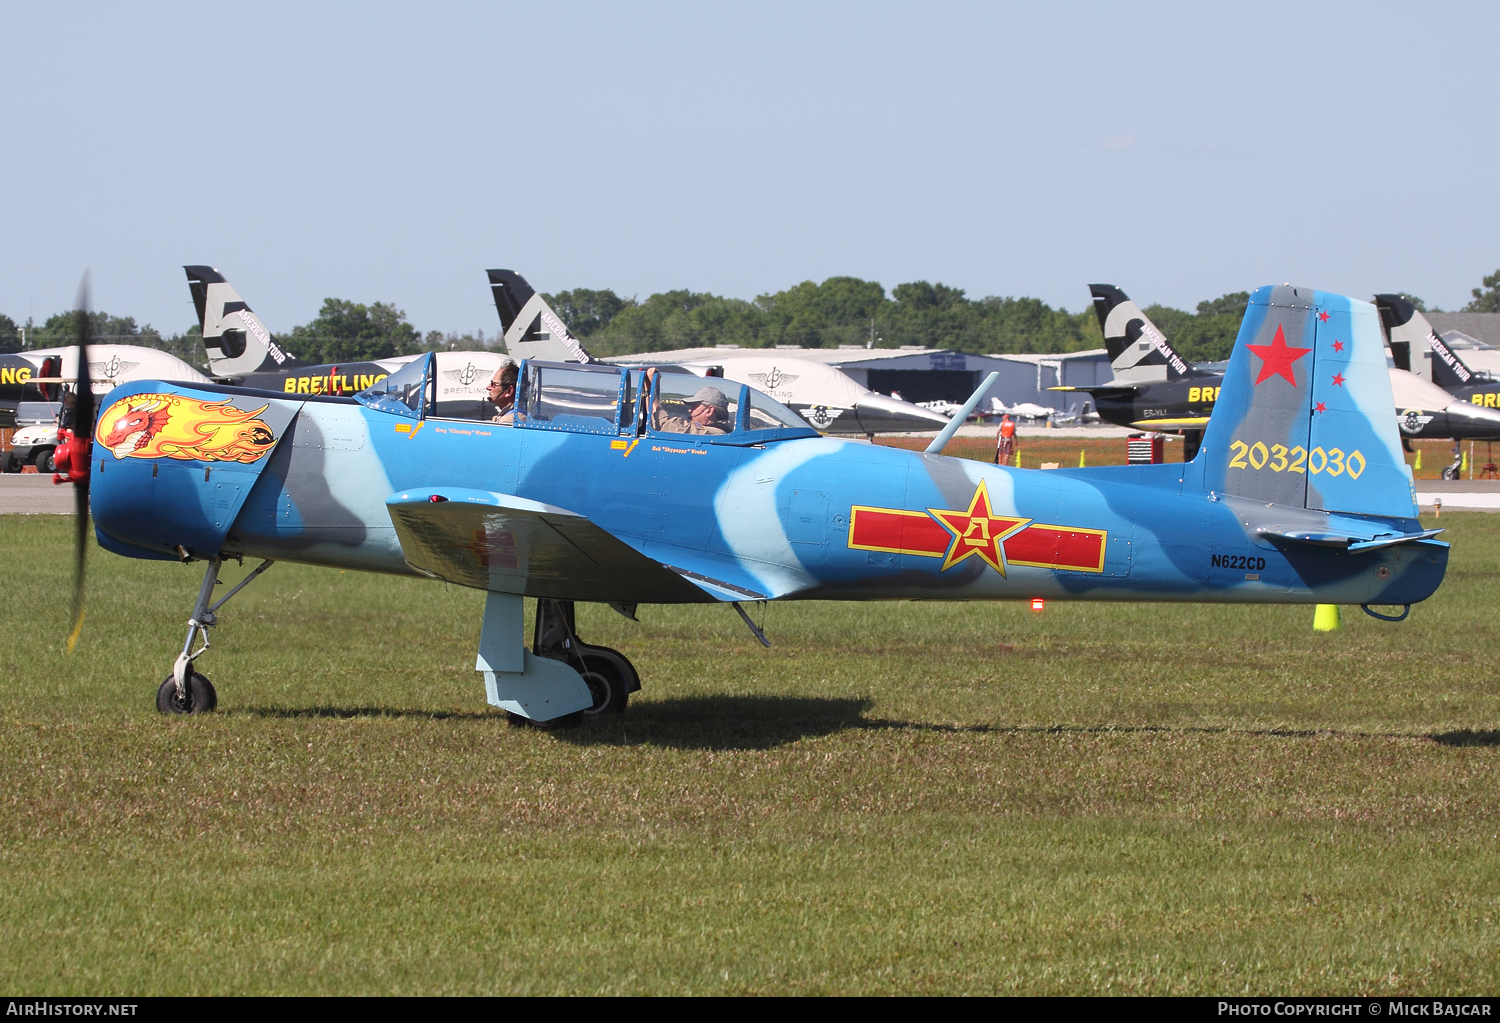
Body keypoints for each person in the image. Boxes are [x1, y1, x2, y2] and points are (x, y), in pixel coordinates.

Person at [645, 368, 731, 435]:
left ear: (709, 411)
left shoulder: (714, 433)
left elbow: (664, 425)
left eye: (695, 406)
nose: (690, 410)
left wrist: (649, 387)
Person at [486, 359, 518, 424]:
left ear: (509, 391)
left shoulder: (508, 421)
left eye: (493, 384)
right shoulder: (515, 415)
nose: (488, 387)